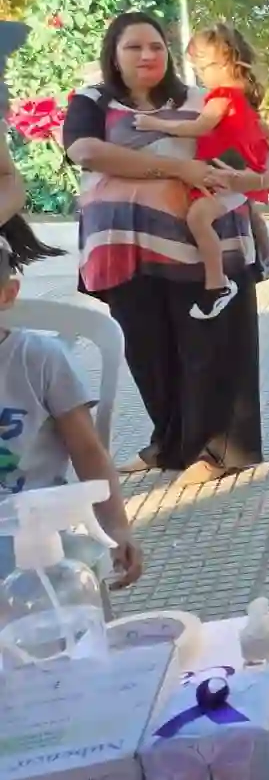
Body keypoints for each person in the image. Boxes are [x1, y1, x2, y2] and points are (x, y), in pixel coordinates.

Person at [62, 12, 269, 487]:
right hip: (123, 246)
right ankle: (169, 444)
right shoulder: (92, 100)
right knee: (148, 350)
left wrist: (253, 178)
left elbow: (252, 143)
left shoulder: (203, 99)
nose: (148, 55)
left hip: (202, 245)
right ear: (113, 53)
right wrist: (175, 170)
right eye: (134, 47)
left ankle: (218, 451)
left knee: (209, 346)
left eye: (156, 45)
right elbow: (87, 152)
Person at [0, 236, 143, 589]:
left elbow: (88, 451)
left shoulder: (39, 358)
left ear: (7, 294)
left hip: (35, 530)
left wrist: (116, 528)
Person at [133, 24, 269, 319]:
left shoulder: (223, 96)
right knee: (208, 216)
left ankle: (216, 283)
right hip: (235, 175)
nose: (201, 73)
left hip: (226, 176)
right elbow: (266, 143)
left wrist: (156, 124)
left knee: (198, 218)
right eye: (196, 67)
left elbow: (199, 126)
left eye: (204, 66)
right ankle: (234, 274)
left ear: (226, 60)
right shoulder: (245, 101)